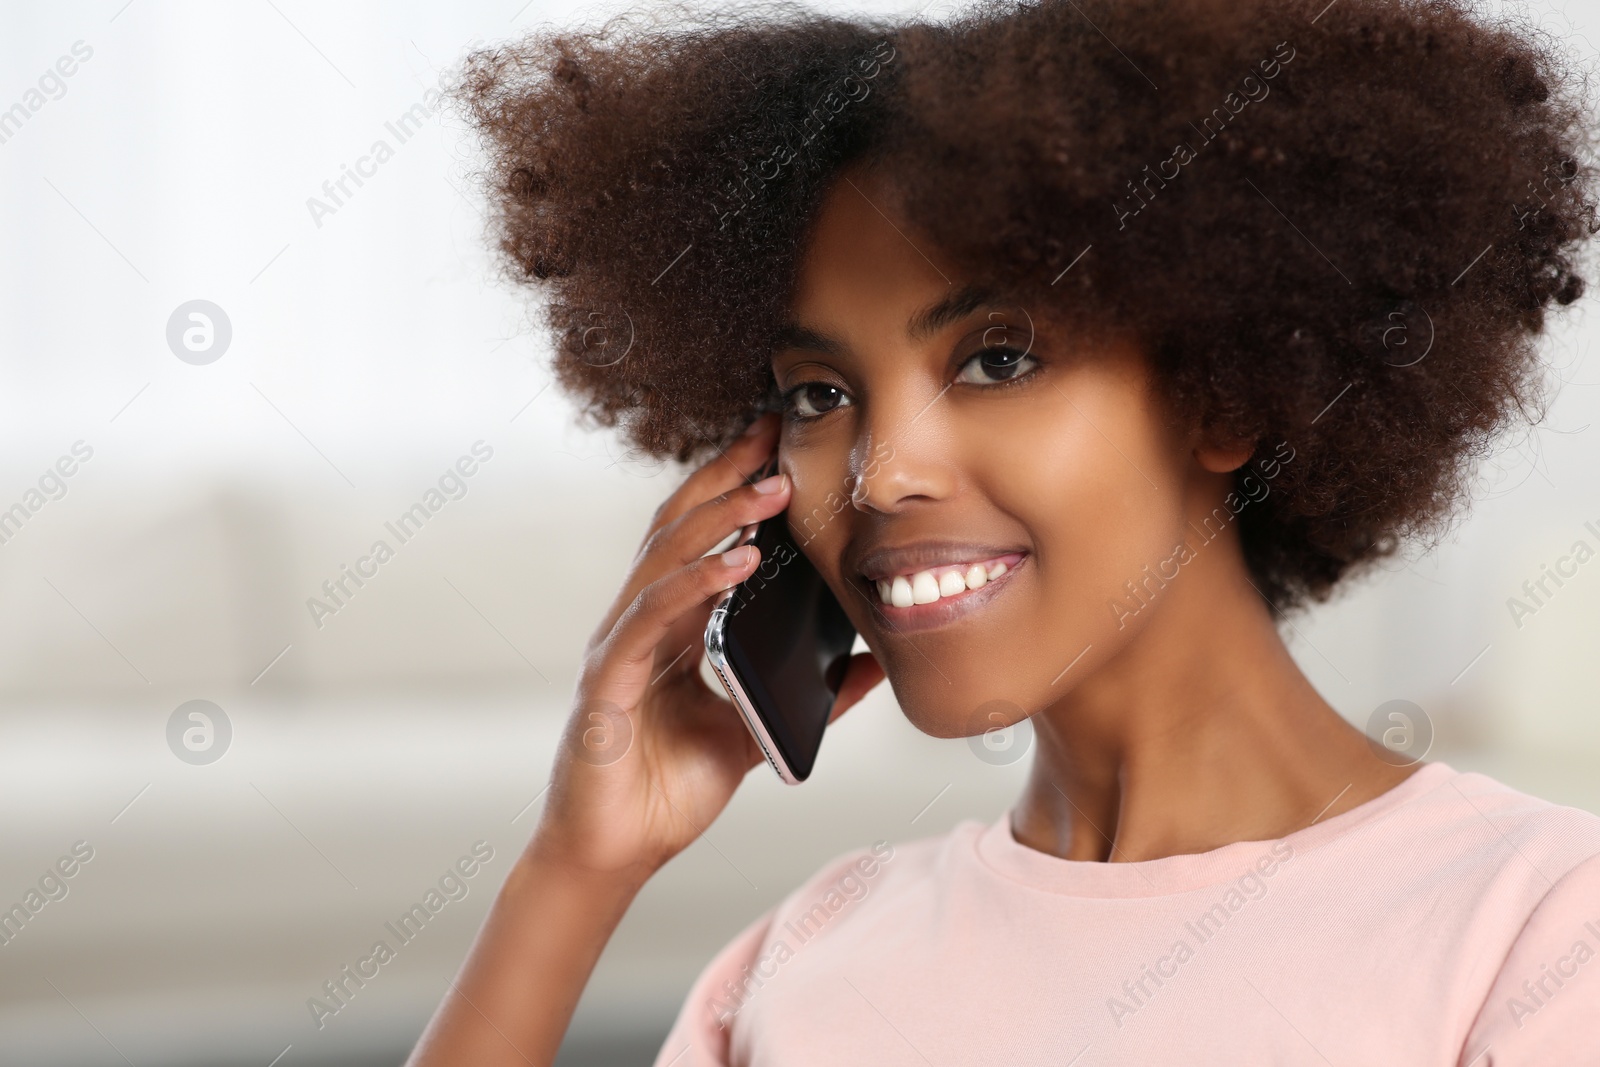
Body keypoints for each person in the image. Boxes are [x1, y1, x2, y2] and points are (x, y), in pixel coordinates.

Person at [408, 0, 1600, 1061]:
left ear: (1226, 390)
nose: (881, 474)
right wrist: (574, 873)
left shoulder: (1538, 924)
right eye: (818, 394)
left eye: (996, 358)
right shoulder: (812, 956)